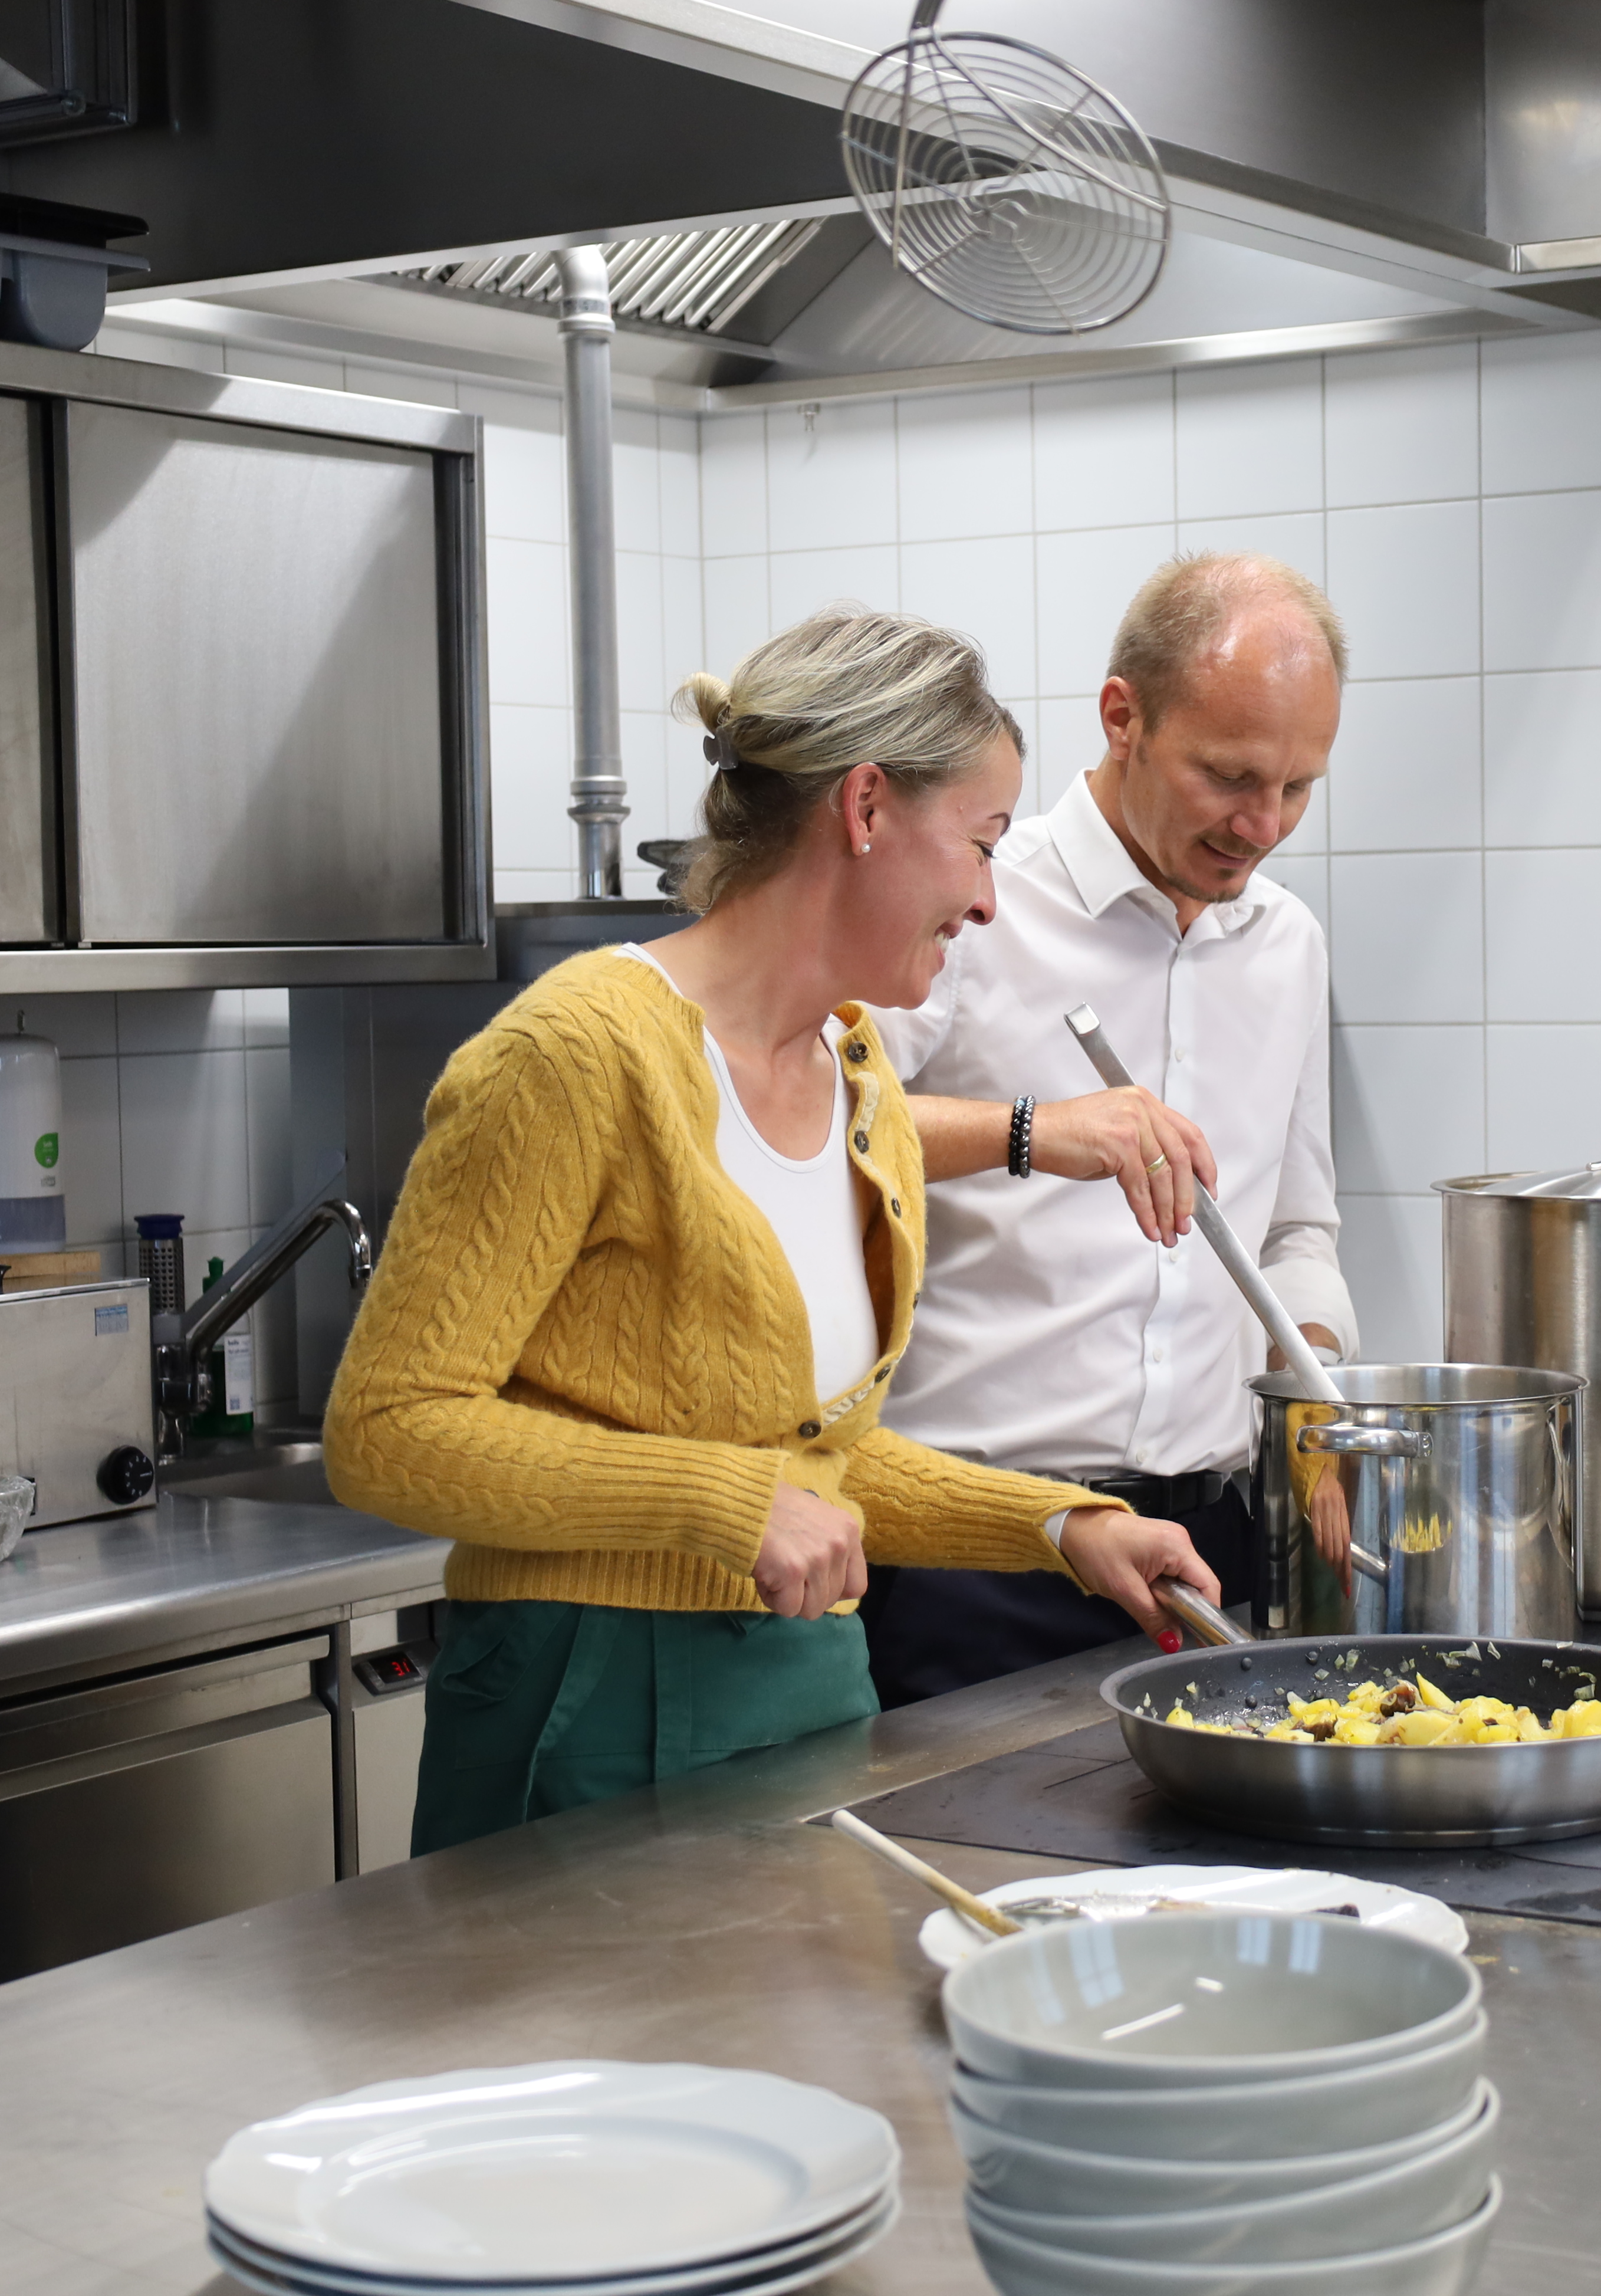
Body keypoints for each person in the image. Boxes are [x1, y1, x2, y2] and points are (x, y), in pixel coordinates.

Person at [327, 607, 1216, 1853]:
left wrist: (1061, 1525)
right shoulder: (574, 1056)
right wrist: (724, 1502)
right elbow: (386, 1433)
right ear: (863, 809)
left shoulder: (859, 1076)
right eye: (979, 843)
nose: (986, 899)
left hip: (807, 1697)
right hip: (582, 1706)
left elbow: (817, 1462)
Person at [860, 553, 1353, 1705]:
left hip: (1208, 1546)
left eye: (1298, 786)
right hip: (979, 1543)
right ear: (1121, 717)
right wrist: (1033, 1129)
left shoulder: (1287, 943)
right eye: (1228, 776)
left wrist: (1314, 1388)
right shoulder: (974, 899)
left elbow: (1297, 1228)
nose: (1262, 824)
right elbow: (820, 1133)